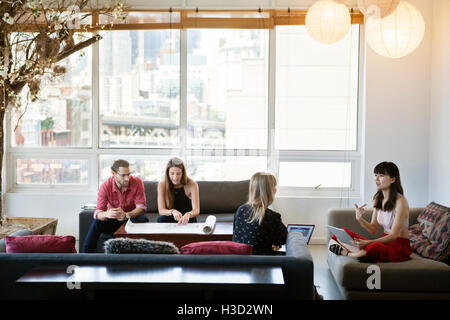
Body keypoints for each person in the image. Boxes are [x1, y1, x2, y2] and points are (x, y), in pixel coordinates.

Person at [329, 161, 412, 262]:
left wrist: (368, 243)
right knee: (341, 234)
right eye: (375, 175)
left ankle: (350, 253)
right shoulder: (378, 198)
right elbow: (373, 229)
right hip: (384, 243)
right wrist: (360, 219)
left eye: (381, 175)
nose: (376, 179)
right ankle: (360, 253)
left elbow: (394, 236)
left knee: (374, 246)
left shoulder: (401, 201)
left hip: (399, 247)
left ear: (393, 179)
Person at [82, 159, 148, 253]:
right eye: (123, 175)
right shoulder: (105, 186)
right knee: (98, 222)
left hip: (131, 218)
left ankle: (143, 255)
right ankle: (85, 256)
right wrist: (106, 214)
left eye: (128, 174)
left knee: (143, 219)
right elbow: (98, 213)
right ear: (113, 173)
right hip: (113, 219)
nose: (127, 178)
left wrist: (126, 215)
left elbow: (142, 208)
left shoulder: (137, 182)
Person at [233, 172, 288, 255]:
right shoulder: (272, 216)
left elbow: (238, 237)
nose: (275, 189)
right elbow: (282, 239)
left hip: (241, 259)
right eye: (274, 186)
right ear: (268, 190)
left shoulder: (240, 210)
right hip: (261, 260)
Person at [157, 157, 200, 224]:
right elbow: (161, 210)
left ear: (183, 173)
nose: (175, 177)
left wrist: (188, 214)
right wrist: (173, 211)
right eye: (172, 173)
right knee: (161, 219)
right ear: (167, 173)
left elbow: (196, 210)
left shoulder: (192, 184)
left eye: (178, 173)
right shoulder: (162, 185)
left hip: (187, 219)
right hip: (170, 217)